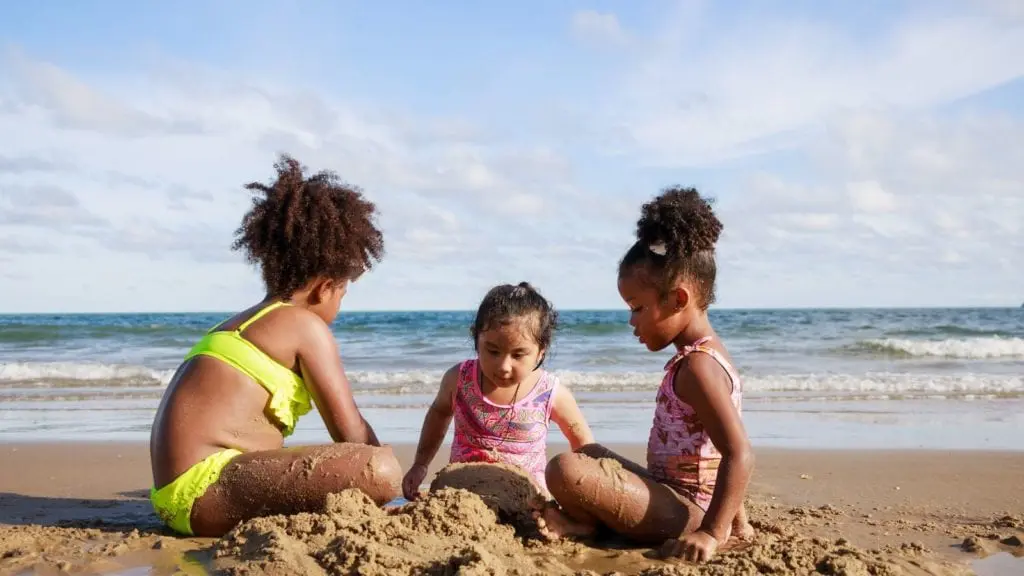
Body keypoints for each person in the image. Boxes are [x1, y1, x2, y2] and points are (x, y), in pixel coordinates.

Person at [149, 155, 402, 537]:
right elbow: (350, 431)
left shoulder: (245, 322)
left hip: (173, 495)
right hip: (205, 491)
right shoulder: (304, 326)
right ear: (325, 287)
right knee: (379, 469)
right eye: (343, 294)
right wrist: (393, 486)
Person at [536, 187, 755, 564]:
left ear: (679, 299)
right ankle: (594, 524)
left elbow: (739, 454)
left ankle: (592, 528)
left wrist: (712, 532)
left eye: (638, 308)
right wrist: (740, 521)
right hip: (670, 493)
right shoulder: (701, 357)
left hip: (686, 513)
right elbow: (714, 452)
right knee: (587, 452)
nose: (631, 321)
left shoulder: (700, 368)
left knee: (565, 469)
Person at [401, 282, 595, 499]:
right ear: (476, 340)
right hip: (462, 495)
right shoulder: (459, 379)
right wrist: (420, 465)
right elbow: (439, 413)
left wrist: (582, 499)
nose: (503, 366)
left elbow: (583, 444)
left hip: (527, 498)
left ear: (541, 352)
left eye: (518, 355)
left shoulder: (551, 393)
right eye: (493, 351)